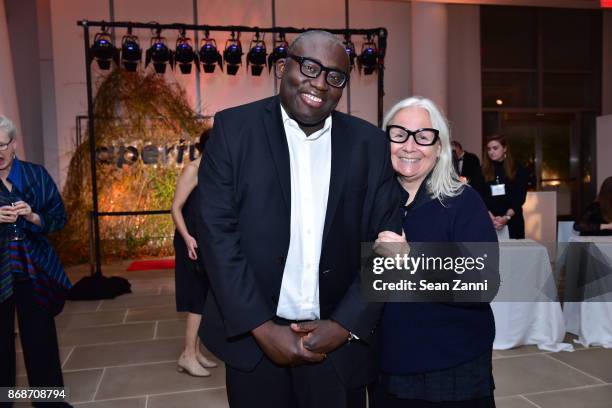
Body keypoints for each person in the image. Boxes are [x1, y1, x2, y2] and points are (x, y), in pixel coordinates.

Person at [196, 30, 403, 408]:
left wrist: (343, 326)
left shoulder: (369, 144)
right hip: (255, 343)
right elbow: (217, 235)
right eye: (309, 67)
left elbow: (385, 246)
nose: (320, 83)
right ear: (282, 67)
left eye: (334, 76)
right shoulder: (233, 130)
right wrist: (260, 327)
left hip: (338, 346)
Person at [373, 97, 498, 408]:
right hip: (384, 365)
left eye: (423, 136)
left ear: (439, 147)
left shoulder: (462, 202)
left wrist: (410, 260)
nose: (409, 146)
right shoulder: (373, 202)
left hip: (449, 369)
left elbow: (481, 284)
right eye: (399, 134)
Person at [0, 116, 72, 407]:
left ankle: (49, 402)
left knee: (40, 340)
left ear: (14, 144)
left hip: (34, 268)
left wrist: (32, 216)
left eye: (2, 145)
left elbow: (59, 218)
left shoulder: (35, 176)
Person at [170, 129, 217, 377]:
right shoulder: (193, 169)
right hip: (190, 241)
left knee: (204, 297)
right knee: (197, 299)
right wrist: (187, 237)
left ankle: (194, 352)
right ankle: (188, 354)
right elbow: (175, 208)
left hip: (201, 241)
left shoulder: (209, 169)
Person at [480, 134, 528, 239]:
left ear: (505, 148)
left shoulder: (518, 168)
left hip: (513, 220)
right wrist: (491, 218)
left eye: (495, 148)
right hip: (489, 221)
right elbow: (480, 196)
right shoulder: (482, 170)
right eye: (489, 149)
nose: (491, 152)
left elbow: (520, 197)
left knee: (513, 254)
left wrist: (506, 217)